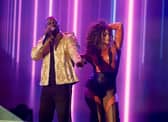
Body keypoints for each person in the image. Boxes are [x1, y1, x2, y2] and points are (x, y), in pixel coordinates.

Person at [31, 16, 84, 122]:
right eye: (49, 23)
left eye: (54, 22)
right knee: (44, 116)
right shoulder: (43, 41)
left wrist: (78, 61)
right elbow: (34, 56)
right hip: (47, 84)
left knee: (63, 116)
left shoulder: (67, 38)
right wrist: (45, 39)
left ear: (58, 25)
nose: (51, 24)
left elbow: (73, 51)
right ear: (46, 27)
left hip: (63, 84)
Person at [84, 21, 123, 122]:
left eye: (109, 34)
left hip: (110, 90)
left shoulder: (115, 46)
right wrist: (80, 61)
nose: (108, 36)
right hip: (93, 89)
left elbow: (119, 26)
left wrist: (104, 27)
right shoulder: (95, 50)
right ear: (99, 36)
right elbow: (83, 58)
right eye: (104, 34)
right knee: (98, 119)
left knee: (113, 119)